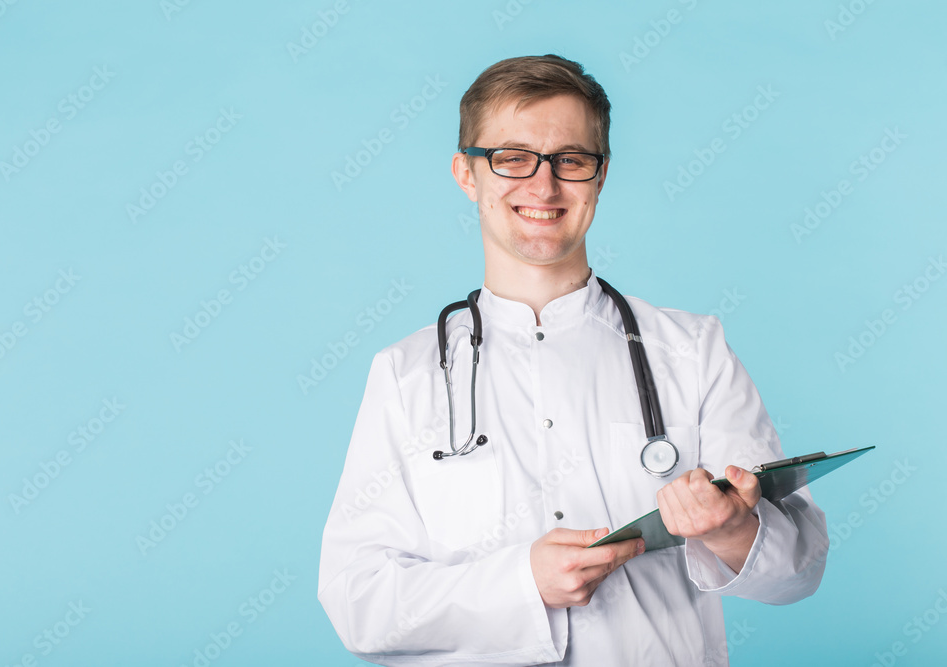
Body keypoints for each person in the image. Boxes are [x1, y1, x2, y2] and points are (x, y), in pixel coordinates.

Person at [318, 54, 828, 666]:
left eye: (571, 160)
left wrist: (732, 530)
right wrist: (520, 584)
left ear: (600, 175)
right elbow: (358, 603)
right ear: (466, 174)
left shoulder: (692, 351)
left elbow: (798, 574)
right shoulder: (406, 374)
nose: (543, 186)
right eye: (512, 158)